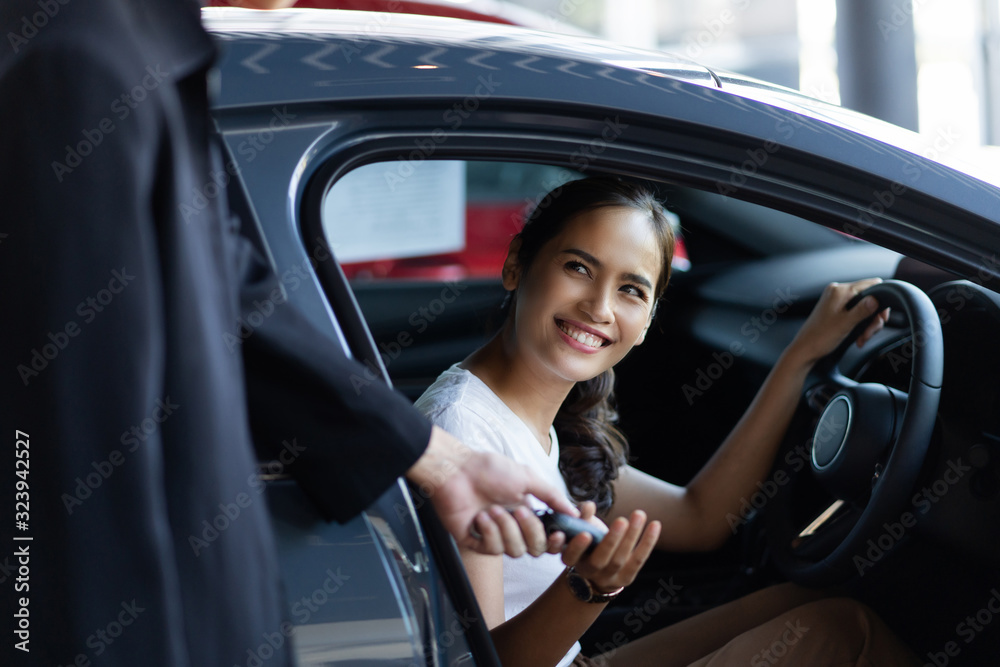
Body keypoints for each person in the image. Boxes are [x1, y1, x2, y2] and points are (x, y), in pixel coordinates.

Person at [0, 1, 574, 665]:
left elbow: (235, 293)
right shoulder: (75, 61)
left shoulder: (126, 46)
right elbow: (73, 467)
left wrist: (445, 462)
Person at [415, 177, 921, 666]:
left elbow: (701, 517)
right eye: (578, 267)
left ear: (648, 321)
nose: (599, 307)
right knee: (842, 634)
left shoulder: (547, 424)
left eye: (631, 290)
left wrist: (800, 356)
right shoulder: (463, 431)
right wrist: (589, 587)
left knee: (803, 601)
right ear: (516, 264)